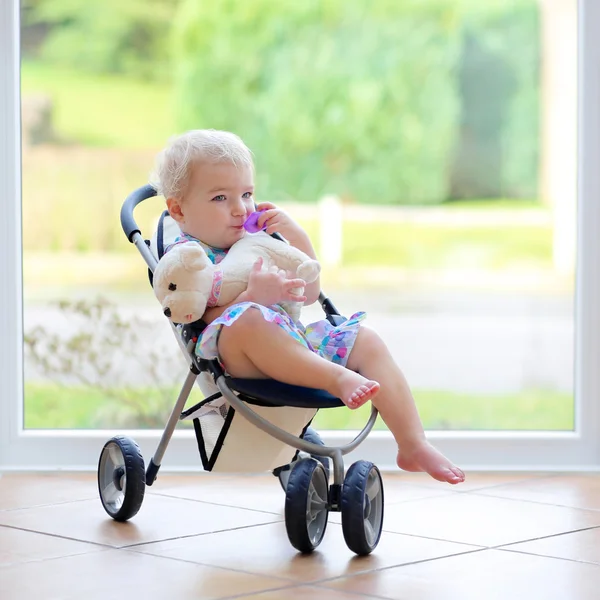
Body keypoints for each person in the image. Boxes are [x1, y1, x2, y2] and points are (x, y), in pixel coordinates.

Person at [152, 129, 465, 485]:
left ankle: (413, 443)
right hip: (237, 352)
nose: (241, 208)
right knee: (250, 321)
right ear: (178, 208)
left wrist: (295, 235)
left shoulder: (256, 240)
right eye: (221, 197)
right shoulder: (188, 257)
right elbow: (196, 319)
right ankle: (337, 378)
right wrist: (249, 298)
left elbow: (311, 290)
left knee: (366, 339)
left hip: (293, 344)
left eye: (247, 194)